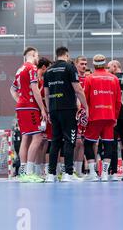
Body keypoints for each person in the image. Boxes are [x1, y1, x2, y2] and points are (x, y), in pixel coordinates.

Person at [43, 47, 88, 183]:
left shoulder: (48, 70)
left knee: (55, 141)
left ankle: (51, 174)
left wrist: (49, 111)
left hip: (54, 109)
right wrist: (86, 106)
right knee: (70, 140)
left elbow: (46, 94)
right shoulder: (69, 67)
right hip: (68, 109)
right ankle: (68, 173)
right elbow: (78, 89)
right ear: (67, 55)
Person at [10, 47, 48, 183]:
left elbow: (12, 89)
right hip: (30, 107)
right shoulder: (31, 67)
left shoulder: (19, 69)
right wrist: (42, 108)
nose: (38, 58)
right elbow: (35, 89)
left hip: (21, 107)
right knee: (37, 138)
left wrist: (20, 100)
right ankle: (29, 172)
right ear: (33, 55)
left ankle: (24, 171)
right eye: (37, 55)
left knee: (26, 138)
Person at [83, 55, 121, 182]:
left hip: (95, 116)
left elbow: (85, 98)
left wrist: (85, 113)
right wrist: (115, 117)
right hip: (109, 116)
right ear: (105, 64)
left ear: (93, 65)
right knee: (108, 143)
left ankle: (93, 173)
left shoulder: (89, 78)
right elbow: (118, 101)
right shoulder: (114, 78)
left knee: (88, 143)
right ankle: (105, 174)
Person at [36, 57, 52, 177]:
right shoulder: (36, 81)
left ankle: (43, 170)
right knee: (38, 142)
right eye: (49, 67)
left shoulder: (44, 80)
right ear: (44, 67)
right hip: (38, 114)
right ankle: (37, 170)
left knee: (45, 143)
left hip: (45, 114)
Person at [73, 56, 88, 179]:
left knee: (82, 143)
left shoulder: (89, 79)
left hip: (85, 114)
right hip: (74, 114)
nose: (84, 66)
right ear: (76, 64)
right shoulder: (73, 78)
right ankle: (71, 169)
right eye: (81, 64)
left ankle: (78, 171)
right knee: (75, 142)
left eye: (85, 64)